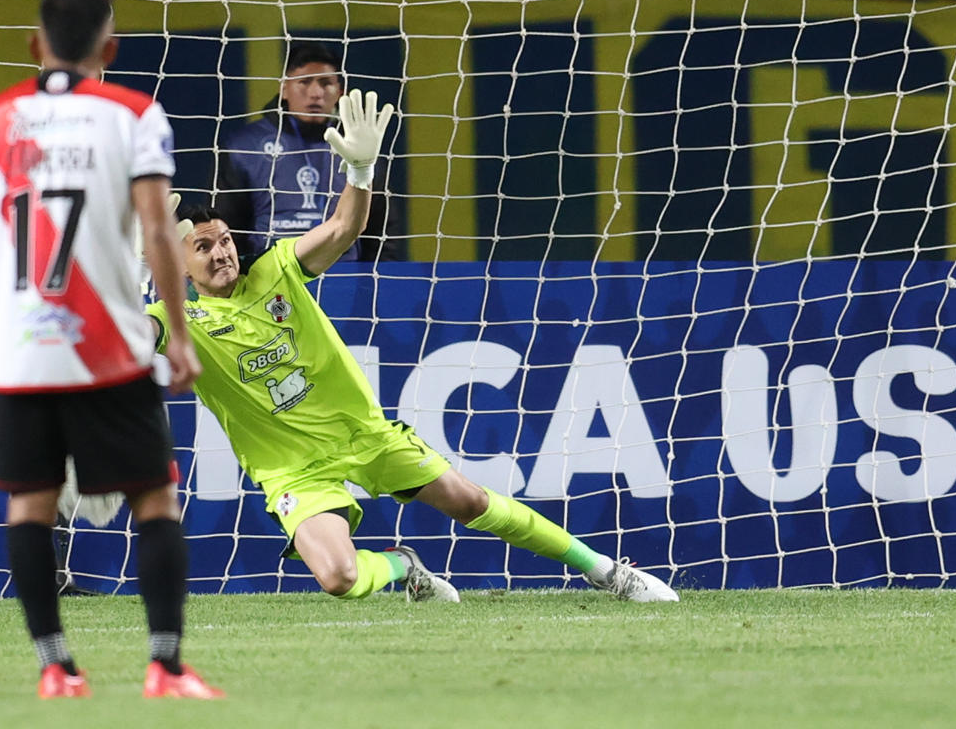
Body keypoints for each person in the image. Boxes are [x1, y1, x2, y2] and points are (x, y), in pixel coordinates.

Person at [152, 89, 678, 605]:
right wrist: (137, 271)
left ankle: (608, 572)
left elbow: (342, 226)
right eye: (203, 246)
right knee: (338, 578)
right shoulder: (177, 317)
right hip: (295, 471)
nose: (221, 253)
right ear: (180, 262)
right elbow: (127, 331)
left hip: (368, 435)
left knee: (469, 500)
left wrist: (359, 172)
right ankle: (404, 564)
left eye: (223, 239)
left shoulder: (275, 271)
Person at [0, 0, 220, 700]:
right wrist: (178, 335)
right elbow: (158, 231)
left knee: (29, 508)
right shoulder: (134, 114)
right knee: (155, 502)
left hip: (23, 352)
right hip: (110, 349)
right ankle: (166, 666)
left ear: (36, 45)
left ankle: (57, 667)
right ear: (109, 48)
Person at [216, 42, 381, 252]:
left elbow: (381, 229)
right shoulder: (244, 147)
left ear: (340, 91)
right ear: (284, 89)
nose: (315, 93)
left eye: (325, 83)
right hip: (268, 276)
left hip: (344, 277)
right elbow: (228, 227)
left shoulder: (360, 146)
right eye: (304, 82)